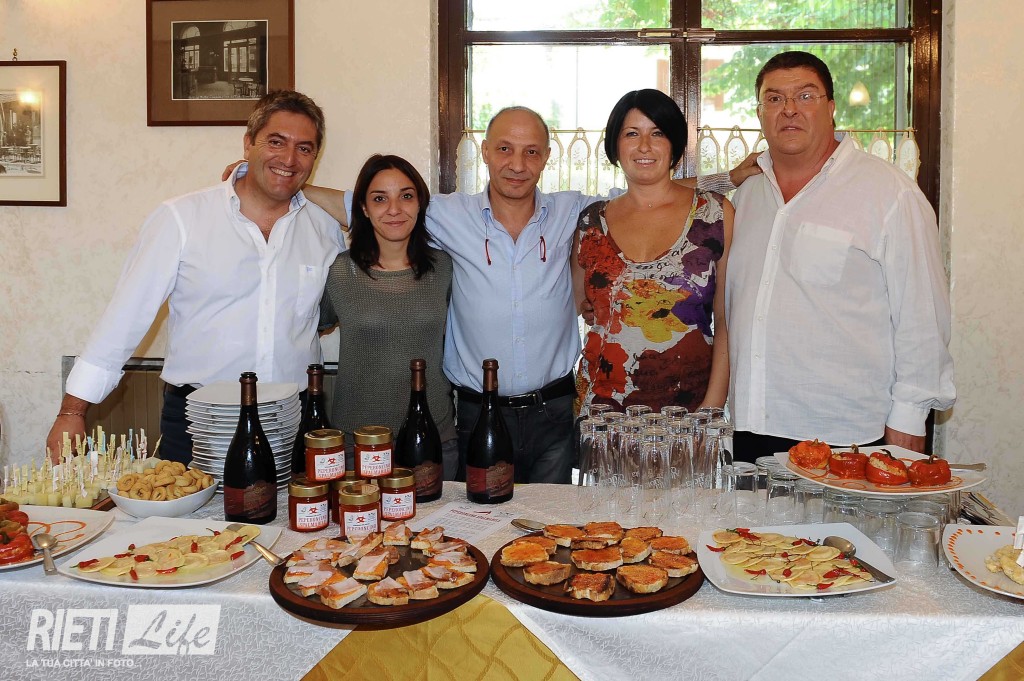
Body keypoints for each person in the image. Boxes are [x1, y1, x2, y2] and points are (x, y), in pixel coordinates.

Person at [274, 107, 759, 484]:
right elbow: (357, 203)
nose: (517, 164)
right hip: (474, 412)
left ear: (546, 157)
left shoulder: (577, 212)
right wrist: (285, 184)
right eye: (505, 149)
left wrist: (730, 179)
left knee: (548, 531)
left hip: (554, 413)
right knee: (478, 526)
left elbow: (652, 191)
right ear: (485, 152)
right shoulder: (443, 214)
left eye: (531, 152)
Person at [45, 90, 344, 464]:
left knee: (292, 506)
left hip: (292, 419)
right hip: (199, 419)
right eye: (276, 142)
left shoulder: (325, 228)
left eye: (304, 148)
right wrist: (73, 410)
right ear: (248, 143)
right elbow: (125, 316)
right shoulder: (181, 218)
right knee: (188, 507)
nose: (288, 158)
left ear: (315, 157)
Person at [726, 51, 955, 462]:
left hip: (847, 435)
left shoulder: (889, 193)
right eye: (774, 99)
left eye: (805, 96)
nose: (789, 109)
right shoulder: (746, 196)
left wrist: (909, 419)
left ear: (831, 107)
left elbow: (922, 315)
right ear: (759, 113)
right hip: (747, 427)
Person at [573, 89, 733, 414]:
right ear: (615, 145)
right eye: (632, 133)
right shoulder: (591, 221)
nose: (644, 146)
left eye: (657, 133)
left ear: (674, 144)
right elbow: (582, 305)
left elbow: (728, 321)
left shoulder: (714, 214)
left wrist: (710, 409)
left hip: (689, 412)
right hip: (600, 413)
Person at [318, 154, 457, 479]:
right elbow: (309, 325)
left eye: (406, 196)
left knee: (438, 515)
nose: (394, 209)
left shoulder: (445, 268)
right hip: (358, 442)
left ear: (420, 203)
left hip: (433, 435)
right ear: (364, 208)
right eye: (380, 199)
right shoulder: (340, 271)